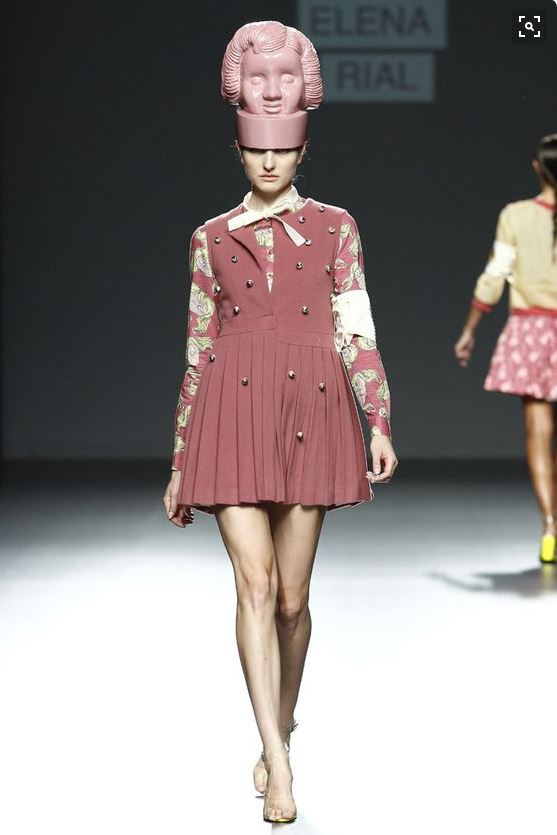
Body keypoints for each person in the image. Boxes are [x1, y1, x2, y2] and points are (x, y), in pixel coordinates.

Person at [163, 21, 397, 823]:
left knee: (293, 600)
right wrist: (178, 460)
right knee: (255, 586)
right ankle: (279, 756)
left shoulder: (336, 228)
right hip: (229, 411)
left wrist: (378, 418)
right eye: (257, 151)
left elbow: (355, 328)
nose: (270, 162)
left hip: (314, 407)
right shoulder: (208, 238)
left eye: (283, 150)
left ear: (301, 151)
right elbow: (197, 347)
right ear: (238, 152)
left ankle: (280, 730)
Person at [454, 133, 557, 565]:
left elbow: (495, 276)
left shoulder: (516, 216)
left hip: (532, 332)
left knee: (538, 434)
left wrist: (470, 330)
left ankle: (550, 526)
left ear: (537, 168)